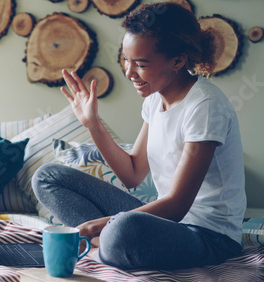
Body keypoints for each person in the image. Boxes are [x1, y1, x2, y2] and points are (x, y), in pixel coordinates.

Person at [32, 2, 246, 270]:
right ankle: (105, 241)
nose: (129, 72)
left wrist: (99, 224)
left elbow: (178, 205)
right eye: (126, 59)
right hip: (164, 223)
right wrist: (93, 124)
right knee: (47, 177)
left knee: (123, 230)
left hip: (208, 237)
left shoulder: (205, 106)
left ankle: (103, 240)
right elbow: (132, 174)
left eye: (140, 64)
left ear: (178, 61)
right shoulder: (155, 100)